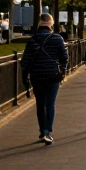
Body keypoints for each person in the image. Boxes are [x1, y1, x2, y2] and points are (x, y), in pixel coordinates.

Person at [23, 13, 68, 145]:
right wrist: (63, 72)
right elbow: (64, 58)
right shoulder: (57, 38)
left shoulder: (32, 40)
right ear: (51, 24)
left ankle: (43, 130)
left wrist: (25, 77)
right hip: (52, 75)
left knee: (40, 104)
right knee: (50, 103)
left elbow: (25, 61)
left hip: (37, 75)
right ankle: (48, 131)